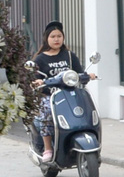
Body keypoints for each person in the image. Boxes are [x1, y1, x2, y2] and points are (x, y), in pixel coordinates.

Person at [30, 21, 95, 161]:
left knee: (86, 108)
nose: (56, 39)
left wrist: (88, 75)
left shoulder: (70, 56)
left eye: (59, 36)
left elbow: (80, 72)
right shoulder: (40, 59)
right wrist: (38, 82)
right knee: (46, 112)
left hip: (71, 95)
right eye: (53, 36)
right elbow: (34, 79)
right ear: (46, 38)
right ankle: (48, 148)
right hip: (50, 96)